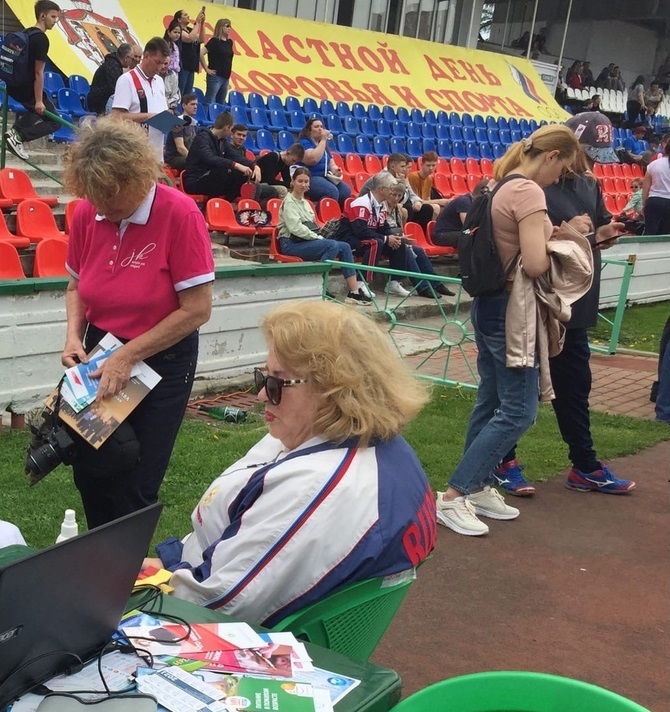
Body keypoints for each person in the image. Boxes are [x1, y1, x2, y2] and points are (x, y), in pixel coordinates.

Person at [154, 302, 435, 626]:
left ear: (333, 390)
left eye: (277, 383)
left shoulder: (316, 488)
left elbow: (214, 605)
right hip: (208, 572)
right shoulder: (382, 449)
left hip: (219, 634)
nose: (261, 395)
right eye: (263, 377)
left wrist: (152, 579)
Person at [434, 125, 592, 537]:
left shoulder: (500, 184)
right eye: (562, 168)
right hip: (511, 309)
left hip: (490, 305)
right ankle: (455, 495)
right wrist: (566, 239)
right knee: (519, 410)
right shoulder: (528, 192)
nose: (559, 179)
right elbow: (536, 264)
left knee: (490, 401)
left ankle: (476, 486)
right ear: (552, 156)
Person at [61, 117, 215, 529]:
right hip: (100, 351)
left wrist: (129, 355)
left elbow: (197, 309)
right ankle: (97, 557)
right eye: (95, 198)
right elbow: (75, 286)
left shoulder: (180, 213)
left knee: (135, 482)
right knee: (90, 467)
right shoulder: (88, 212)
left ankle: (124, 566)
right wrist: (73, 336)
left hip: (162, 357)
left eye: (111, 198)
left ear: (138, 177)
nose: (102, 209)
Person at [494, 119, 635, 500]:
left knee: (575, 387)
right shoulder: (528, 183)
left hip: (575, 303)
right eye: (587, 155)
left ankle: (585, 465)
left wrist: (603, 234)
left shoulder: (589, 184)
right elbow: (522, 246)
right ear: (563, 152)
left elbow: (593, 232)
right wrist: (568, 229)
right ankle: (502, 460)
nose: (592, 164)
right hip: (535, 302)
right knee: (518, 388)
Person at [344, 171, 453, 300]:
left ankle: (394, 282)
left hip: (368, 238)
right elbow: (360, 231)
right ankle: (361, 282)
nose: (392, 191)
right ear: (381, 189)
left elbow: (384, 227)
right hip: (351, 240)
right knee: (376, 242)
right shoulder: (361, 203)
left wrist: (395, 238)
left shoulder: (379, 204)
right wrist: (386, 238)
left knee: (398, 243)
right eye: (390, 189)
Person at [275, 165, 374, 304]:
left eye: (306, 181)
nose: (303, 184)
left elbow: (311, 225)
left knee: (344, 246)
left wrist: (322, 232)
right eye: (300, 181)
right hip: (291, 243)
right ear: (292, 182)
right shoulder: (289, 202)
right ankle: (319, 286)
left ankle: (354, 291)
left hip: (305, 241)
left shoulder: (306, 203)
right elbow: (296, 228)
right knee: (331, 246)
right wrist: (318, 237)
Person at [4, 0, 64, 162]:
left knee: (36, 110)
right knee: (55, 122)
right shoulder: (42, 39)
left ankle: (14, 132)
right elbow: (38, 72)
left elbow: (9, 58)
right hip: (27, 88)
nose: (55, 21)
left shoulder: (26, 32)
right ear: (42, 16)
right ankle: (19, 137)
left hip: (13, 85)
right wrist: (38, 101)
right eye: (53, 17)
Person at [182, 111, 274, 202]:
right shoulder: (202, 138)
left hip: (211, 179)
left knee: (242, 174)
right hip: (195, 180)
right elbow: (210, 158)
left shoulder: (222, 141)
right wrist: (236, 165)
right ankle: (211, 205)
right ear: (227, 127)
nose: (230, 133)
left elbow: (235, 156)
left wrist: (254, 165)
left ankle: (227, 203)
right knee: (221, 170)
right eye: (231, 129)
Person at [109, 37, 171, 160]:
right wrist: (147, 116)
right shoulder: (127, 80)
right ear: (146, 56)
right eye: (157, 62)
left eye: (163, 63)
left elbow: (161, 111)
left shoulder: (159, 81)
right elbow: (116, 117)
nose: (160, 67)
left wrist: (170, 122)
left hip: (155, 152)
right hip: (133, 152)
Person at [298, 117, 352, 206]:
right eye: (316, 127)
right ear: (309, 130)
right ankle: (319, 211)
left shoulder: (322, 145)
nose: (320, 129)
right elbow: (313, 159)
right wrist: (323, 139)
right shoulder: (304, 142)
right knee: (331, 191)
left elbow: (331, 163)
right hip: (310, 177)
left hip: (324, 176)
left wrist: (336, 170)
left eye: (321, 127)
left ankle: (337, 212)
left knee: (345, 191)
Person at [430, 176, 493, 248]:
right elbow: (467, 225)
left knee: (477, 234)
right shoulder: (464, 201)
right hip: (442, 234)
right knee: (471, 235)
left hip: (458, 232)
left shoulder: (475, 203)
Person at [86, 42, 135, 115]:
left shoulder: (113, 64)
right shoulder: (113, 67)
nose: (132, 61)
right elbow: (115, 89)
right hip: (99, 103)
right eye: (132, 59)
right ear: (126, 58)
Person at [170, 7, 204, 101]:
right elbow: (189, 38)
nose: (188, 16)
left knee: (187, 95)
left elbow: (201, 39)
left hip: (191, 66)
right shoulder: (179, 30)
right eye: (185, 15)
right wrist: (197, 23)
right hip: (183, 66)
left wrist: (202, 23)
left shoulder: (189, 30)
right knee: (180, 92)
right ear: (179, 19)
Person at [163, 92, 200, 173]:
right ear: (183, 106)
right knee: (199, 164)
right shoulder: (178, 122)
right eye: (192, 104)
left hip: (185, 156)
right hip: (174, 158)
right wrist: (194, 159)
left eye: (196, 104)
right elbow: (180, 148)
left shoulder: (194, 124)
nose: (195, 107)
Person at [203, 17, 234, 105]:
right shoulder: (214, 41)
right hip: (215, 75)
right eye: (227, 26)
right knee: (209, 100)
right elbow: (201, 53)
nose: (229, 28)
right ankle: (205, 113)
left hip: (226, 76)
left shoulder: (229, 42)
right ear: (221, 27)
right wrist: (206, 68)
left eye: (230, 26)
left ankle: (218, 114)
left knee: (221, 102)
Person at [642, 137, 669, 234]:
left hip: (654, 201)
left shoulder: (653, 164)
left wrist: (644, 204)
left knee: (650, 234)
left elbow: (645, 188)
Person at [162, 19, 183, 106]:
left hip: (174, 75)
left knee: (174, 93)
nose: (177, 34)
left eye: (179, 33)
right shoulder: (166, 44)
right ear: (168, 32)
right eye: (175, 32)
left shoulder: (175, 45)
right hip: (167, 74)